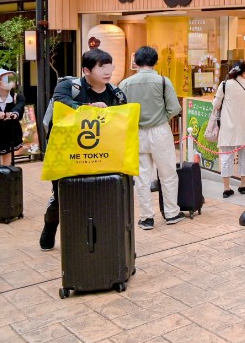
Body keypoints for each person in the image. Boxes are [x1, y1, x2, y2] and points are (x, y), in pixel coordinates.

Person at [40, 49, 128, 251]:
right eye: (102, 66)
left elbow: (122, 120)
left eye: (110, 66)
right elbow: (62, 102)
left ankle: (94, 239)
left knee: (100, 195)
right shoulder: (69, 86)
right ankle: (50, 227)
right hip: (67, 153)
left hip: (101, 153)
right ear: (86, 70)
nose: (108, 71)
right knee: (62, 195)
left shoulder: (116, 93)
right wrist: (87, 107)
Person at [118, 46, 184, 230]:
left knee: (141, 177)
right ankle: (171, 213)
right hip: (160, 130)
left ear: (136, 62)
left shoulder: (125, 84)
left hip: (136, 133)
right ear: (156, 61)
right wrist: (162, 117)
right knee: (168, 174)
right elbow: (174, 109)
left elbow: (120, 112)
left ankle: (147, 217)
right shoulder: (163, 81)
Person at [212, 61, 245, 198]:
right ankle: (243, 185)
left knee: (226, 157)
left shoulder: (225, 85)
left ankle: (226, 188)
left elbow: (216, 104)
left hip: (229, 127)